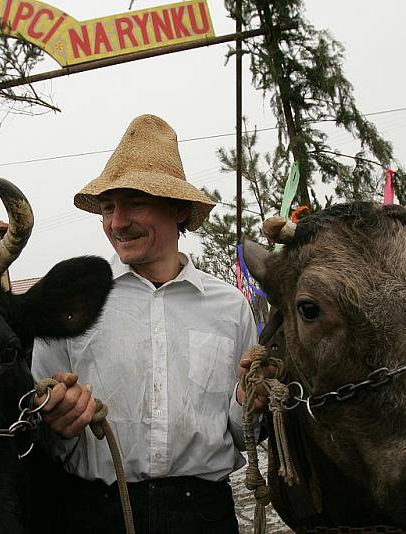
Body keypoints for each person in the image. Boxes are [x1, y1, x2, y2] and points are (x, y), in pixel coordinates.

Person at [32, 114, 266, 533]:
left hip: (204, 516)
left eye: (135, 203)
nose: (117, 222)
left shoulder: (230, 307)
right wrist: (55, 421)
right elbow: (37, 426)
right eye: (108, 207)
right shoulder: (71, 303)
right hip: (96, 514)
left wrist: (250, 400)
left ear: (179, 210)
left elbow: (245, 434)